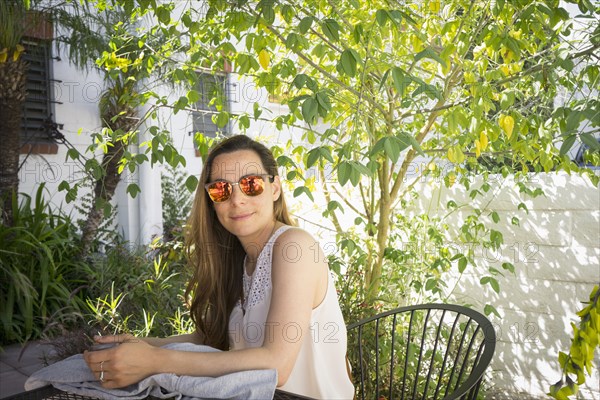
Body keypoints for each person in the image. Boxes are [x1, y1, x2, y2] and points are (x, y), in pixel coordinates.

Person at [83, 134, 355, 399]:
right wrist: (137, 345)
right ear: (211, 201)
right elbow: (208, 340)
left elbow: (276, 365)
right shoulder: (239, 259)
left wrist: (154, 360)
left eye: (251, 184)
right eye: (221, 189)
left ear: (274, 188)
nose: (236, 199)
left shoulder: (295, 247)